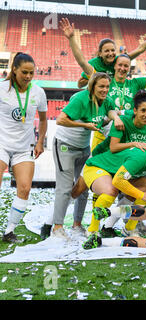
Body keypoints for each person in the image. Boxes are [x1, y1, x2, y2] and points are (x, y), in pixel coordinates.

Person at [40, 72, 122, 240]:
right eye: (101, 86)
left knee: (84, 186)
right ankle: (57, 227)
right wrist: (85, 125)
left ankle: (77, 225)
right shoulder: (80, 98)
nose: (105, 89)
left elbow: (111, 111)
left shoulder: (106, 101)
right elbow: (60, 120)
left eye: (107, 86)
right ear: (92, 86)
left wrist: (116, 118)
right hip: (65, 145)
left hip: (83, 147)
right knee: (64, 188)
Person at [81, 131, 146, 244]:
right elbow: (118, 180)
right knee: (111, 190)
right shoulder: (141, 156)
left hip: (113, 171)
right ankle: (92, 230)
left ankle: (128, 230)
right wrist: (141, 195)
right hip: (96, 167)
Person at [0, 53, 48, 243]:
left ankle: (9, 231)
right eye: (24, 72)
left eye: (31, 73)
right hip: (2, 143)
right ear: (14, 70)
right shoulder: (2, 88)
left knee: (25, 188)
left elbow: (43, 120)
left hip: (24, 147)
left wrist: (40, 141)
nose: (28, 76)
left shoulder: (38, 92)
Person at [59, 17, 146, 89]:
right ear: (100, 53)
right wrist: (71, 38)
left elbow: (140, 49)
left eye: (113, 50)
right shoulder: (94, 64)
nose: (111, 53)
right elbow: (79, 84)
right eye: (107, 51)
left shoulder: (119, 61)